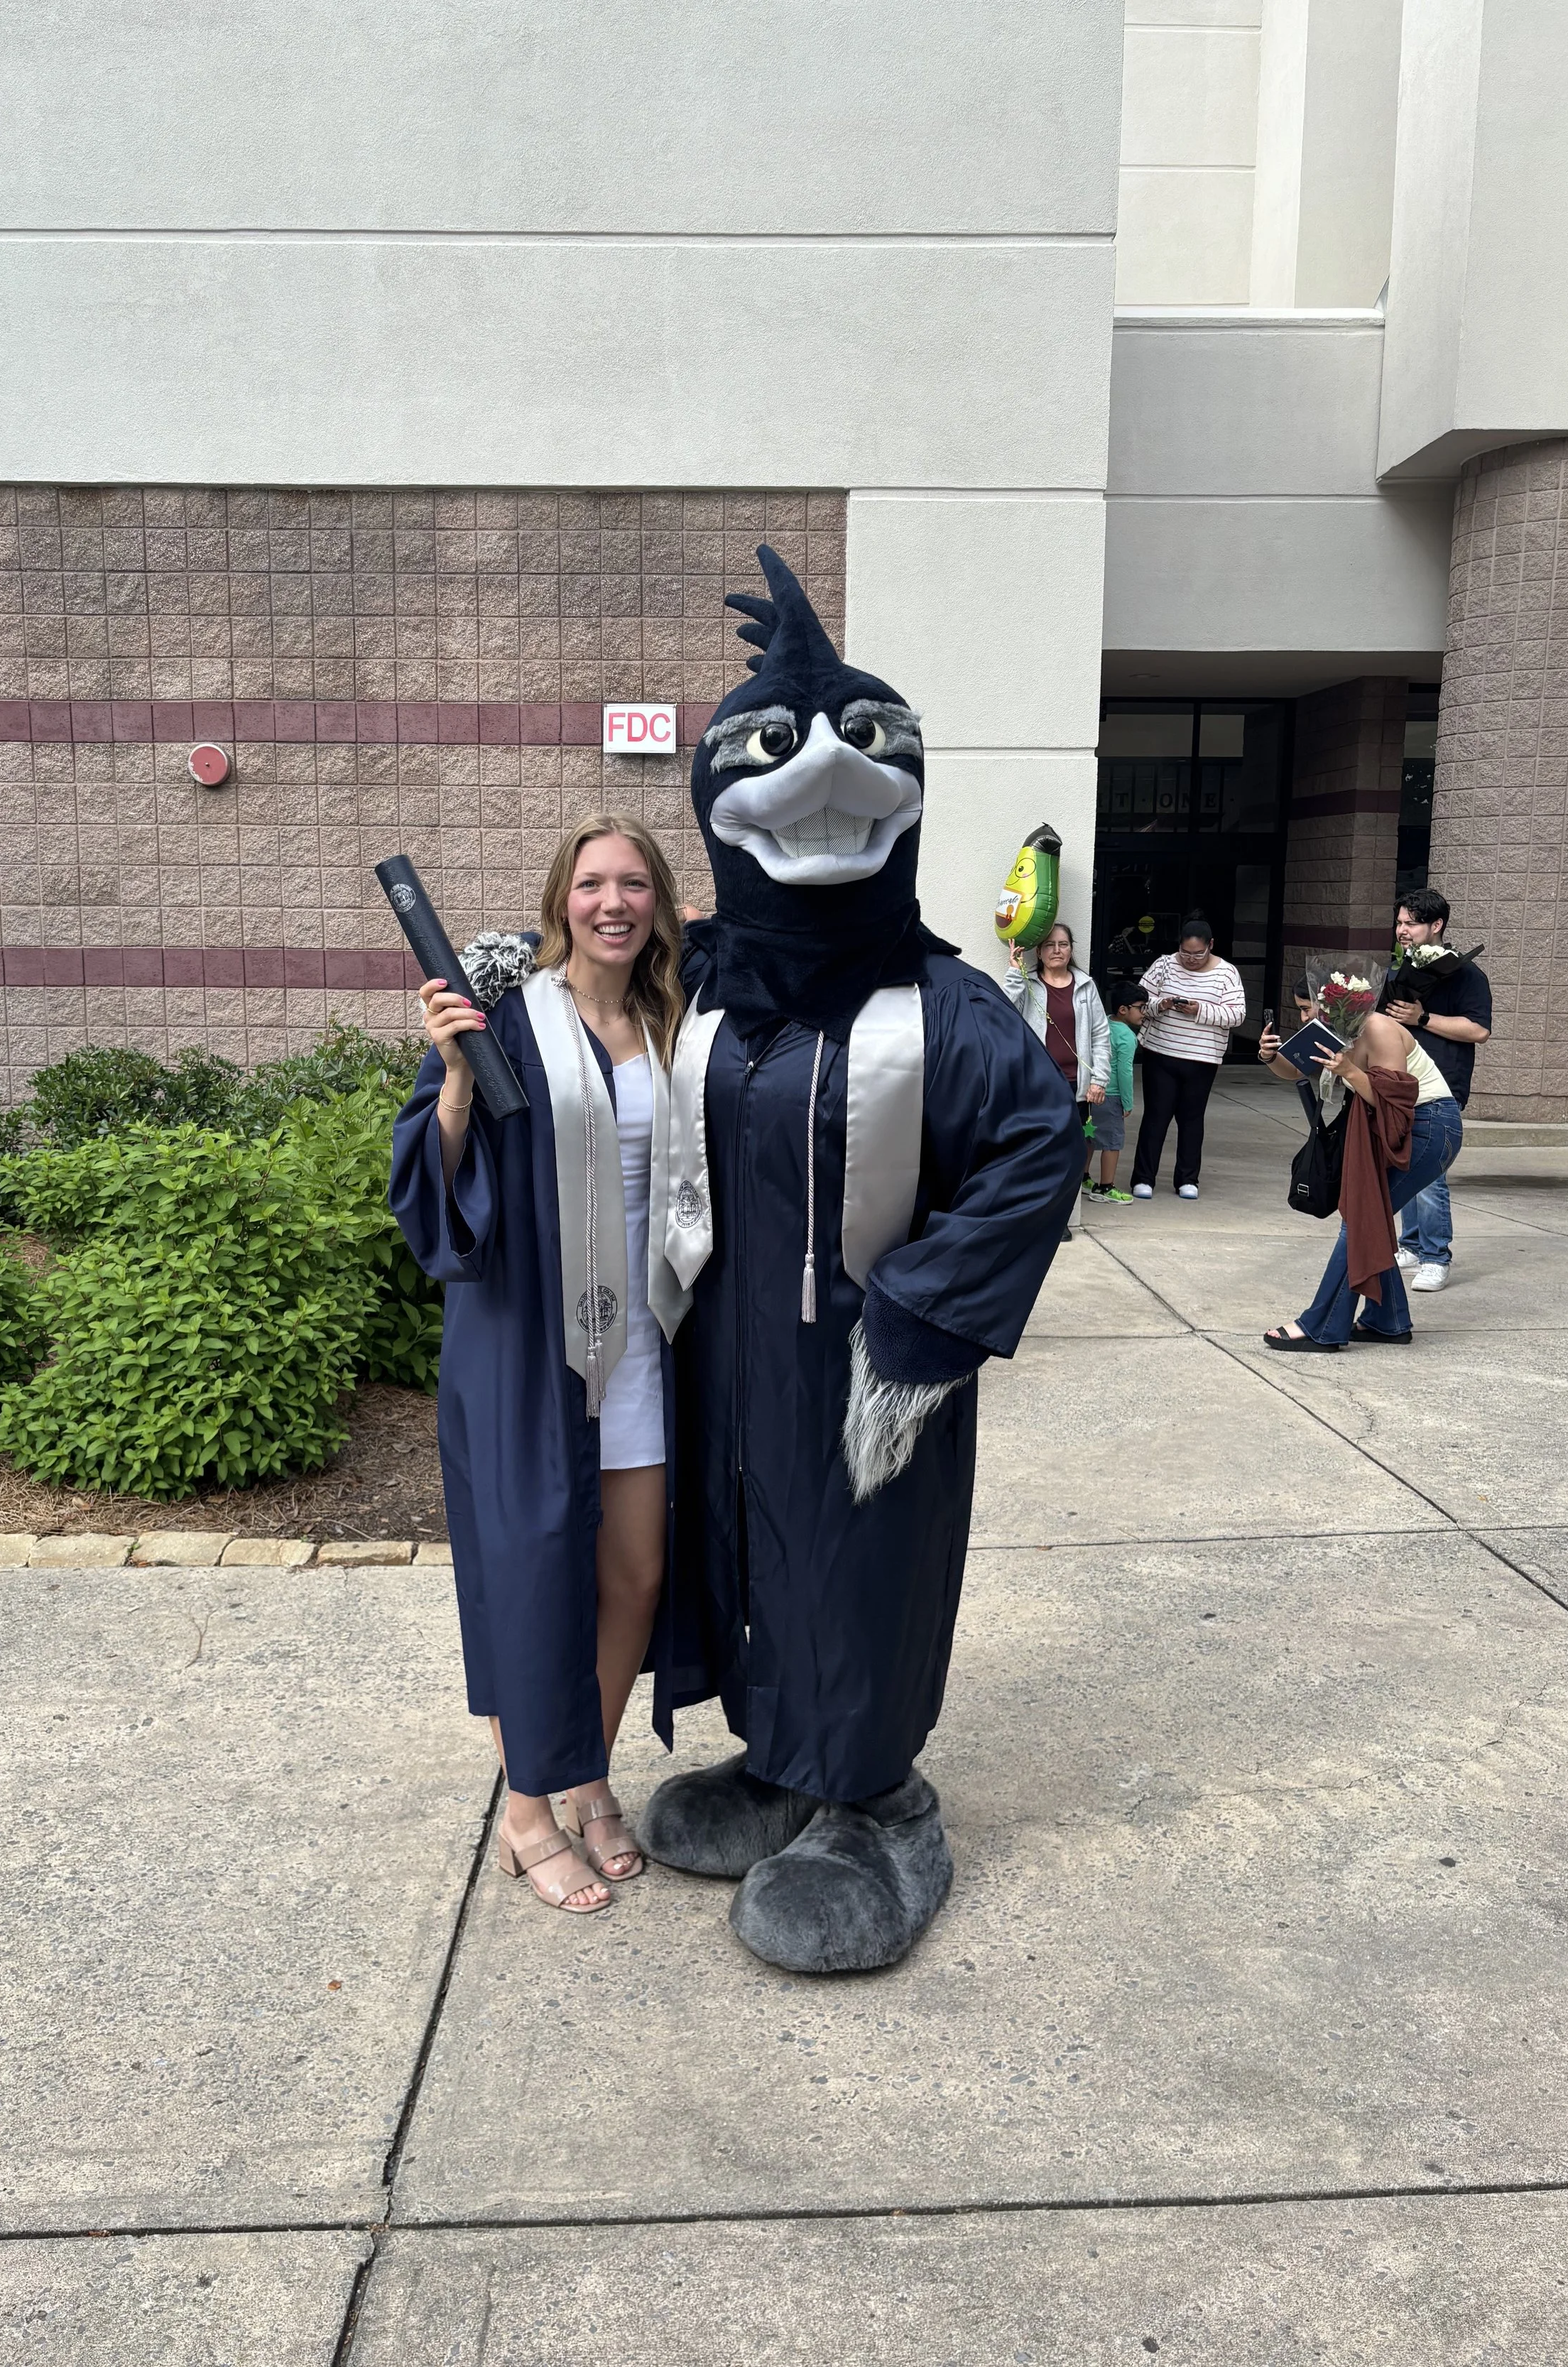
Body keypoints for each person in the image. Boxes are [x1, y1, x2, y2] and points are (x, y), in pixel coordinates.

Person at [634, 547, 1082, 1976]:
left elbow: (1033, 1148)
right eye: (772, 754)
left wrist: (920, 1316)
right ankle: (781, 1762)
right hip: (722, 1343)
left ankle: (879, 1801)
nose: (822, 777)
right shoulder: (703, 989)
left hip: (863, 1349)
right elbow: (597, 1069)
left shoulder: (944, 1006)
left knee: (858, 1560)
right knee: (749, 1543)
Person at [389, 814, 693, 1915]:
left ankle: (588, 1770)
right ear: (561, 898)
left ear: (659, 901)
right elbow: (433, 1176)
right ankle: (527, 1813)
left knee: (636, 1573)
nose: (613, 903)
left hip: (644, 1336)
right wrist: (456, 1073)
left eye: (634, 884)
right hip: (529, 1339)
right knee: (530, 1576)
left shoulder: (675, 1020)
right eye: (592, 884)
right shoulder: (509, 1018)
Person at [1258, 996, 1461, 1349]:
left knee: (1362, 1217)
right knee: (1370, 1217)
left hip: (1429, 1126)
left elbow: (1395, 1102)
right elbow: (1294, 1069)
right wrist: (1269, 1056)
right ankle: (1388, 1320)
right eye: (1301, 1008)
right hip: (1406, 1127)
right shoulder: (1329, 1032)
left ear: (1340, 1004)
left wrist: (1349, 1071)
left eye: (1309, 1008)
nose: (1305, 1017)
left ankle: (1321, 1326)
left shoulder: (1378, 1028)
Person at [1379, 888, 1491, 1293]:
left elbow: (1479, 1030)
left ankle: (1435, 1256)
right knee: (1404, 1161)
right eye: (1400, 923)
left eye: (1411, 923)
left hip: (1443, 1082)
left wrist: (1422, 1017)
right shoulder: (1400, 970)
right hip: (1401, 1080)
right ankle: (1410, 1244)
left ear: (1437, 925)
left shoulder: (1465, 974)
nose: (1402, 931)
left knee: (1429, 1171)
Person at [1001, 920, 1109, 1234]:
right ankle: (1034, 1218)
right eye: (1050, 945)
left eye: (1063, 944)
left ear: (1071, 949)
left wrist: (1099, 1079)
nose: (1057, 950)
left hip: (1079, 1087)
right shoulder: (1028, 983)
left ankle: (1059, 1218)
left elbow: (1101, 1036)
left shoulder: (1086, 986)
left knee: (1071, 1155)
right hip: (1038, 1085)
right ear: (1039, 951)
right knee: (1036, 1153)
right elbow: (1002, 1013)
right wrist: (1015, 973)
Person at [1130, 914, 1246, 1199]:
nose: (1191, 959)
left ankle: (1187, 1179)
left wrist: (1199, 1010)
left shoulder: (1227, 973)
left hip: (1202, 1059)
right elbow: (1138, 1003)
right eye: (1185, 953)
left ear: (1211, 946)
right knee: (1156, 1117)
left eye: (1198, 954)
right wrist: (1164, 1004)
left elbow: (1237, 1014)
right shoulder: (1164, 965)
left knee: (1192, 1119)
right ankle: (1144, 1178)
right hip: (1161, 1052)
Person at [1084, 981, 1144, 1203]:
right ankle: (1106, 1187)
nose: (1144, 1013)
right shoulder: (1127, 1037)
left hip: (1090, 1093)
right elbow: (1125, 1073)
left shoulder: (1103, 1025)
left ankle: (1083, 1177)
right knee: (1112, 1143)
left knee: (1088, 1136)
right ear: (1123, 1010)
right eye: (1141, 1007)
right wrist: (1127, 1103)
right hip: (1111, 1096)